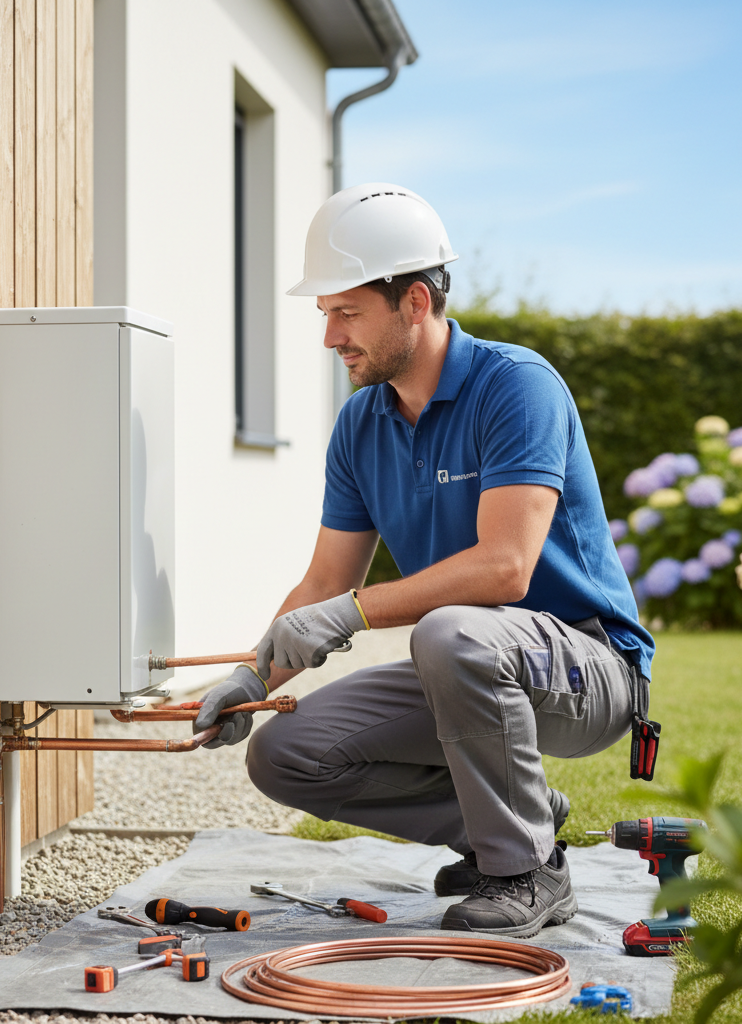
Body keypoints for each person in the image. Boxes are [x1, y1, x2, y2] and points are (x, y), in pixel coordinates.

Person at [195, 183, 655, 937]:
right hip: (473, 661)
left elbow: (505, 568)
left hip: (591, 667)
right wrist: (251, 679)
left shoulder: (516, 387)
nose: (329, 338)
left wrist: (350, 614)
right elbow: (322, 582)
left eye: (347, 313)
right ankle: (519, 824)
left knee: (448, 632)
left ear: (414, 302)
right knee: (287, 753)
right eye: (325, 315)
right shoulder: (360, 425)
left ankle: (524, 872)